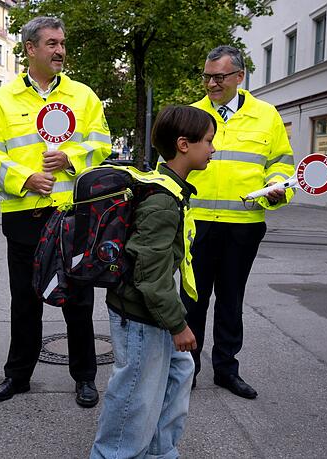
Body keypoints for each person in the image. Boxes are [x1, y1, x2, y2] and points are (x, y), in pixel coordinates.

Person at [0, 16, 111, 407]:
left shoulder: (83, 96)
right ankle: (17, 376)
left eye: (62, 43)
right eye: (52, 43)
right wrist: (26, 179)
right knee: (25, 300)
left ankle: (85, 378)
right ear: (30, 49)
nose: (60, 51)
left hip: (73, 214)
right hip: (25, 215)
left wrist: (70, 158)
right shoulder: (2, 100)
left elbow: (102, 144)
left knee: (79, 300)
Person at [90, 105, 214, 459]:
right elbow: (149, 274)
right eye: (208, 141)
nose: (213, 149)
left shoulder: (168, 188)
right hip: (141, 314)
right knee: (135, 395)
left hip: (150, 310)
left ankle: (160, 452)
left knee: (179, 372)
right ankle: (113, 455)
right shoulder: (162, 201)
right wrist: (178, 324)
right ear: (183, 144)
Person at [183, 45, 295, 398]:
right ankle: (187, 371)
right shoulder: (191, 114)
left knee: (231, 300)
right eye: (207, 77)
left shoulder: (266, 115)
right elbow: (170, 164)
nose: (211, 84)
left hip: (243, 225)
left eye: (219, 77)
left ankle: (226, 370)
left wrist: (277, 188)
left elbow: (281, 164)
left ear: (239, 76)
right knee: (192, 301)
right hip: (197, 223)